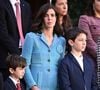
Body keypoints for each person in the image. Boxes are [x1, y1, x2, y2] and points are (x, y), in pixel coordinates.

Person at [22, 3, 66, 90]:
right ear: (42, 18)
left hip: (55, 86)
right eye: (46, 15)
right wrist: (33, 85)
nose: (49, 18)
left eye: (52, 15)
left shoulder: (62, 41)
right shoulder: (31, 37)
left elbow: (62, 67)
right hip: (36, 86)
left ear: (56, 18)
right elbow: (24, 65)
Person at [0, 0, 32, 80]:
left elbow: (29, 29)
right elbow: (2, 34)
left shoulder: (26, 5)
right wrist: (18, 54)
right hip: (8, 56)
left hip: (24, 52)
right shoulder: (1, 4)